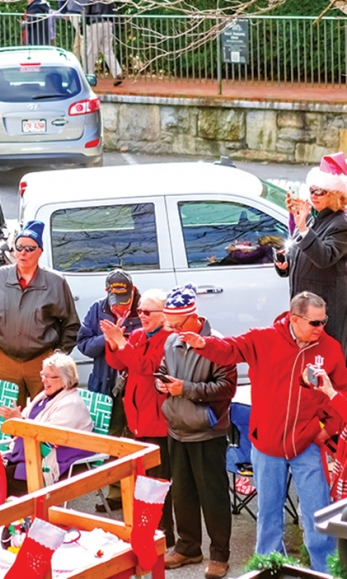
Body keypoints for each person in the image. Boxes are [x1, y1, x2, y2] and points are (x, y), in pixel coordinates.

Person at [180, 291, 346, 574]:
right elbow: (229, 349)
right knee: (268, 516)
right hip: (267, 446)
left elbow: (340, 391)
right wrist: (203, 344)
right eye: (315, 323)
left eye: (324, 321)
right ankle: (269, 568)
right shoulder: (263, 338)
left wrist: (326, 431)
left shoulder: (330, 348)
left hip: (307, 444)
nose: (322, 328)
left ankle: (326, 571)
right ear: (295, 319)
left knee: (318, 515)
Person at [152, 283, 235, 578]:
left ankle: (220, 555)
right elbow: (161, 369)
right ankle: (188, 547)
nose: (172, 329)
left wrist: (185, 389)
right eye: (169, 324)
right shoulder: (171, 341)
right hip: (176, 427)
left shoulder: (218, 343)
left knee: (213, 496)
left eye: (176, 323)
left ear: (193, 317)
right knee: (183, 492)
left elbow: (226, 388)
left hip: (206, 431)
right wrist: (160, 383)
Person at [0, 220, 80, 407]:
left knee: (45, 416)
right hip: (5, 361)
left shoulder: (56, 282)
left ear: (40, 252)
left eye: (29, 248)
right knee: (8, 419)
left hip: (42, 363)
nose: (23, 253)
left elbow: (71, 325)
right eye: (19, 247)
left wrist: (56, 359)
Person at [101, 288, 173, 541]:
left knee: (158, 481)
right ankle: (145, 529)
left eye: (147, 312)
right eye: (139, 310)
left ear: (164, 315)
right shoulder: (140, 335)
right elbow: (120, 363)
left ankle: (165, 534)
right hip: (137, 419)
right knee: (141, 479)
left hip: (156, 420)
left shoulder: (168, 338)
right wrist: (113, 342)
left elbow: (147, 367)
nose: (141, 315)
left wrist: (121, 342)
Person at [0, 352, 94, 501]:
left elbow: (48, 437)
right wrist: (17, 420)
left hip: (56, 458)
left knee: (7, 476)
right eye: (43, 375)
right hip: (31, 451)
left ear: (66, 379)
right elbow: (27, 425)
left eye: (50, 376)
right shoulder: (44, 397)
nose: (44, 380)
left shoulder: (71, 404)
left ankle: (6, 518)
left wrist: (20, 421)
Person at [77, 269, 142, 512]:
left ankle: (140, 493)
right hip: (107, 386)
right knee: (112, 439)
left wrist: (123, 338)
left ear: (133, 291)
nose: (120, 308)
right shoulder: (97, 308)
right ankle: (115, 493)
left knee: (137, 438)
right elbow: (83, 344)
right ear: (106, 293)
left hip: (135, 387)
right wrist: (106, 338)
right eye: (116, 303)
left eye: (125, 301)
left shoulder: (144, 309)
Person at [277, 152, 347, 359]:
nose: (314, 195)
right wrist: (284, 265)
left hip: (325, 311)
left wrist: (302, 227)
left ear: (335, 194)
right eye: (312, 190)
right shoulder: (313, 218)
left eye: (320, 191)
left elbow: (325, 257)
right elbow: (300, 254)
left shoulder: (341, 224)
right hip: (305, 306)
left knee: (325, 363)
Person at [84, 0, 123, 85]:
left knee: (91, 51)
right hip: (107, 22)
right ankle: (117, 72)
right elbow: (113, 9)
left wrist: (82, 23)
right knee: (108, 50)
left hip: (95, 22)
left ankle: (89, 75)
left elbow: (87, 9)